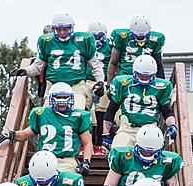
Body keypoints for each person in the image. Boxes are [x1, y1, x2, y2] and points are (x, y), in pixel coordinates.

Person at [12, 12, 105, 110]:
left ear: (72, 28)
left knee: (77, 115)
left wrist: (100, 81)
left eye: (65, 29)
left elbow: (95, 66)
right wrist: (25, 71)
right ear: (53, 29)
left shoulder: (83, 40)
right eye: (58, 29)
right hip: (53, 86)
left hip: (76, 86)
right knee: (48, 116)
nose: (62, 33)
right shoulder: (47, 42)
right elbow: (37, 67)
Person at [0, 83, 93, 175]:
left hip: (67, 161)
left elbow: (87, 143)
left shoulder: (78, 116)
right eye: (58, 97)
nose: (61, 101)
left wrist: (86, 162)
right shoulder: (42, 114)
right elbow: (27, 133)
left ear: (71, 98)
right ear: (51, 98)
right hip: (44, 159)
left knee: (68, 184)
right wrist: (12, 134)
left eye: (64, 97)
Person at [102, 124, 184, 186]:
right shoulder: (123, 157)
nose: (147, 155)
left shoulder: (167, 162)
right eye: (144, 151)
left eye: (152, 153)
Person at [102, 55, 177, 151]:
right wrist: (105, 134)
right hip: (127, 128)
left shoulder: (162, 87)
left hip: (150, 129)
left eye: (148, 76)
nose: (145, 79)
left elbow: (167, 112)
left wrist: (172, 125)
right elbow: (111, 109)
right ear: (134, 72)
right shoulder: (122, 83)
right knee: (118, 152)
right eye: (141, 76)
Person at [107, 14, 165, 84]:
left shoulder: (155, 40)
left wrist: (162, 85)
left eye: (143, 37)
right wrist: (109, 85)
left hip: (146, 78)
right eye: (137, 37)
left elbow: (159, 65)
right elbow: (113, 63)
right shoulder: (122, 37)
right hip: (126, 77)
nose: (140, 40)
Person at [86, 22, 112, 153]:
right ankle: (85, 142)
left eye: (99, 36)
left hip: (104, 82)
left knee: (102, 108)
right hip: (86, 80)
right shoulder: (84, 44)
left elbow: (114, 63)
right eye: (93, 37)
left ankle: (100, 143)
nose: (96, 40)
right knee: (85, 109)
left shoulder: (110, 46)